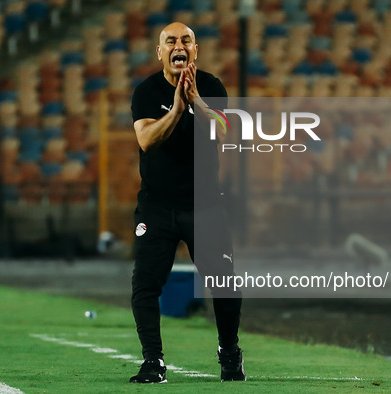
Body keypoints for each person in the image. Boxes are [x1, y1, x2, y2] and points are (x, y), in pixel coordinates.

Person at [129, 22, 244, 384]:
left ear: (194, 50)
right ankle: (153, 362)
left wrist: (194, 101)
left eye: (186, 40)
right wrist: (176, 110)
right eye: (171, 41)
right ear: (160, 52)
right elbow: (146, 139)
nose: (179, 46)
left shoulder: (210, 87)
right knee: (145, 285)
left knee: (224, 282)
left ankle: (229, 353)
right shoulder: (147, 91)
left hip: (205, 204)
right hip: (157, 206)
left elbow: (224, 132)